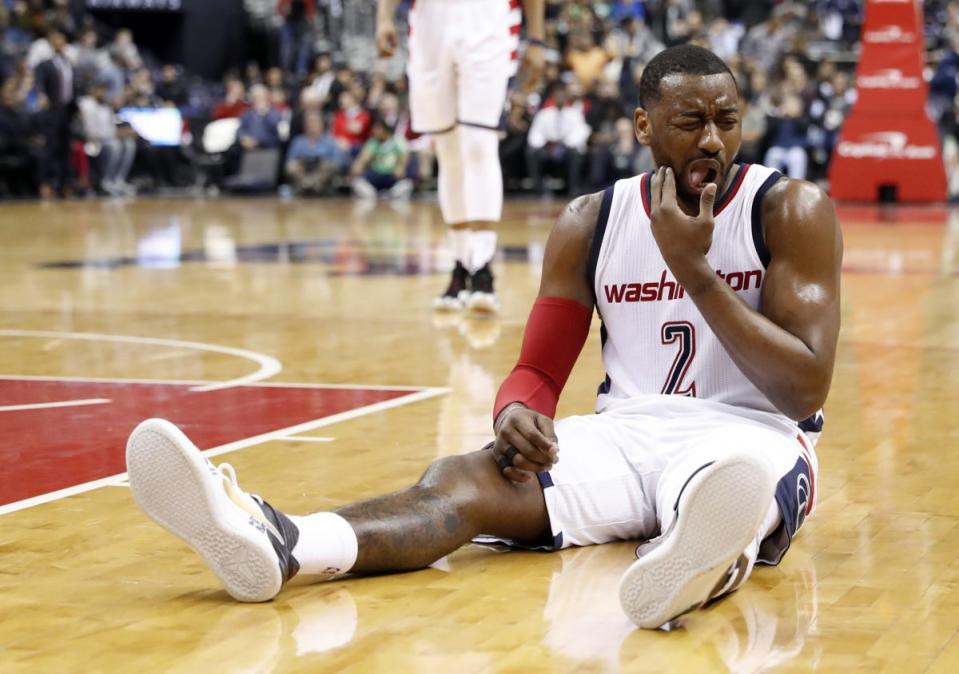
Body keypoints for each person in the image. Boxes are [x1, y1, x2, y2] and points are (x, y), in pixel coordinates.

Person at [125, 45, 842, 630]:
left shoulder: (788, 210)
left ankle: (694, 562)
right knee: (462, 479)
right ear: (644, 126)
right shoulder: (590, 222)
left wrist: (694, 271)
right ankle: (282, 542)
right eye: (689, 120)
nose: (712, 139)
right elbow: (536, 369)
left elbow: (802, 387)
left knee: (728, 485)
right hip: (625, 434)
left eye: (726, 119)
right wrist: (513, 410)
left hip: (749, 433)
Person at [375, 0, 546, 314]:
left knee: (479, 144)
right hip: (430, 23)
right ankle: (460, 264)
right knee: (448, 151)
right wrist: (384, 18)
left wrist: (536, 38)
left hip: (488, 19)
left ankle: (482, 267)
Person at [349, 116, 412, 200]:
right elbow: (364, 157)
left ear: (386, 130)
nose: (375, 132)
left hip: (392, 176)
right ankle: (374, 195)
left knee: (406, 184)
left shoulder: (398, 141)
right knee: (357, 182)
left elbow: (404, 156)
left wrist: (401, 167)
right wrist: (358, 165)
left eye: (378, 129)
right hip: (376, 175)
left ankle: (390, 195)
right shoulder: (373, 142)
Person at [285, 111, 344, 195]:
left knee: (329, 166)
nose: (312, 126)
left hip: (321, 172)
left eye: (315, 122)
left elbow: (338, 162)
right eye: (310, 123)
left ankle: (309, 186)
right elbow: (290, 159)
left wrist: (323, 163)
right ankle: (308, 186)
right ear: (305, 125)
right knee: (291, 166)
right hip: (303, 171)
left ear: (321, 125)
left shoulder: (330, 141)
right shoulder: (298, 141)